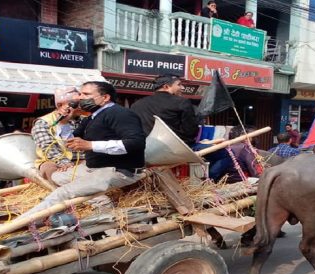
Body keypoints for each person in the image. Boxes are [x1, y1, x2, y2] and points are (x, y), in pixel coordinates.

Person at [22, 81, 146, 215]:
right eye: (80, 94)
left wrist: (90, 145)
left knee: (61, 193)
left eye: (86, 94)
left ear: (105, 97)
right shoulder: (91, 117)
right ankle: (95, 196)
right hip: (93, 168)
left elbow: (136, 143)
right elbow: (70, 142)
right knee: (57, 177)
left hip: (118, 170)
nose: (80, 97)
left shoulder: (120, 114)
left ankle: (25, 222)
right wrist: (64, 122)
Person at [31, 87, 85, 183]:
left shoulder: (84, 120)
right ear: (60, 105)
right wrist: (65, 163)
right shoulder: (44, 122)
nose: (80, 107)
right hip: (53, 161)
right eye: (75, 104)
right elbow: (48, 147)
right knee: (50, 170)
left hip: (80, 159)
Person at [130, 74, 199, 145]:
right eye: (179, 85)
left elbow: (133, 130)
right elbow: (191, 131)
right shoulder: (182, 102)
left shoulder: (136, 105)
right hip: (175, 150)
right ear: (166, 86)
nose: (183, 88)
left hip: (145, 149)